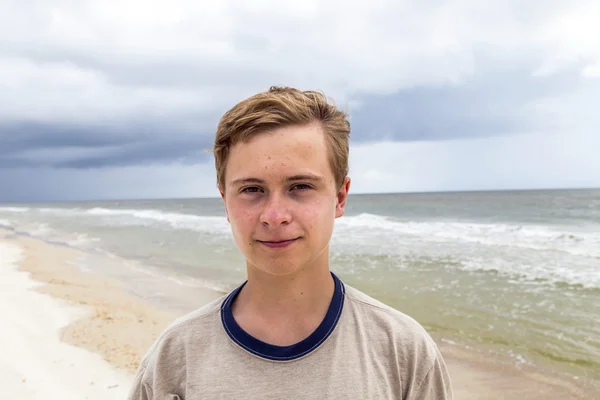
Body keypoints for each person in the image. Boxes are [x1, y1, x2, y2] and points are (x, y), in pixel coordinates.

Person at [127, 86, 453, 399]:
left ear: (340, 197)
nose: (275, 215)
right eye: (252, 189)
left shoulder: (402, 350)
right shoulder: (176, 356)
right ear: (226, 201)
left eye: (300, 186)